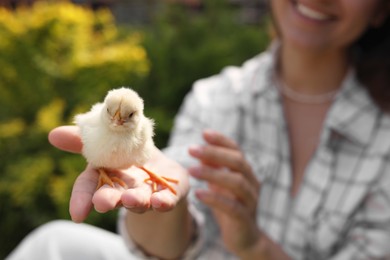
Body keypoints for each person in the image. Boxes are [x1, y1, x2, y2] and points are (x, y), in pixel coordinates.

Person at [7, 0, 390, 259]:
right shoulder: (217, 98)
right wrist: (164, 197)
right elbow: (165, 247)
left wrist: (255, 247)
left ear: (379, 11)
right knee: (53, 245)